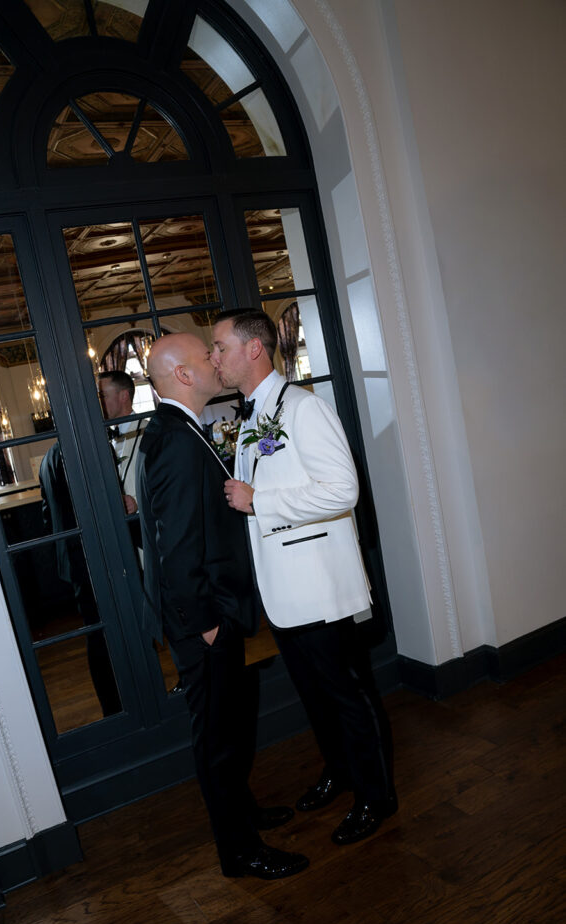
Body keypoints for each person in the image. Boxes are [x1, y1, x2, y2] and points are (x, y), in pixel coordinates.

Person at [211, 309, 396, 846]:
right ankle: (339, 771)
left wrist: (261, 500)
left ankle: (377, 795)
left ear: (254, 349)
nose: (215, 358)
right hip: (282, 590)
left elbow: (344, 490)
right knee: (315, 694)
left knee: (347, 694)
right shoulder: (249, 419)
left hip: (320, 586)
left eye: (221, 347)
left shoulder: (305, 408)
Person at [136, 331, 309, 879]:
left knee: (229, 730)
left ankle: (246, 815)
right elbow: (176, 547)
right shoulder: (176, 440)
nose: (216, 360)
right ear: (183, 376)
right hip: (204, 619)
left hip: (210, 612)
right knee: (217, 740)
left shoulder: (177, 429)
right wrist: (206, 622)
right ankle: (239, 851)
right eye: (206, 355)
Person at [39, 441, 122, 717]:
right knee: (111, 633)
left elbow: (46, 514)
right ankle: (118, 704)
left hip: (73, 562)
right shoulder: (88, 447)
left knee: (96, 633)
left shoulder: (47, 459)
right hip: (96, 558)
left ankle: (112, 706)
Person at [97, 370, 143, 514]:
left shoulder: (149, 431)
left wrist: (137, 503)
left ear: (124, 396)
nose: (98, 403)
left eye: (102, 396)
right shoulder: (103, 439)